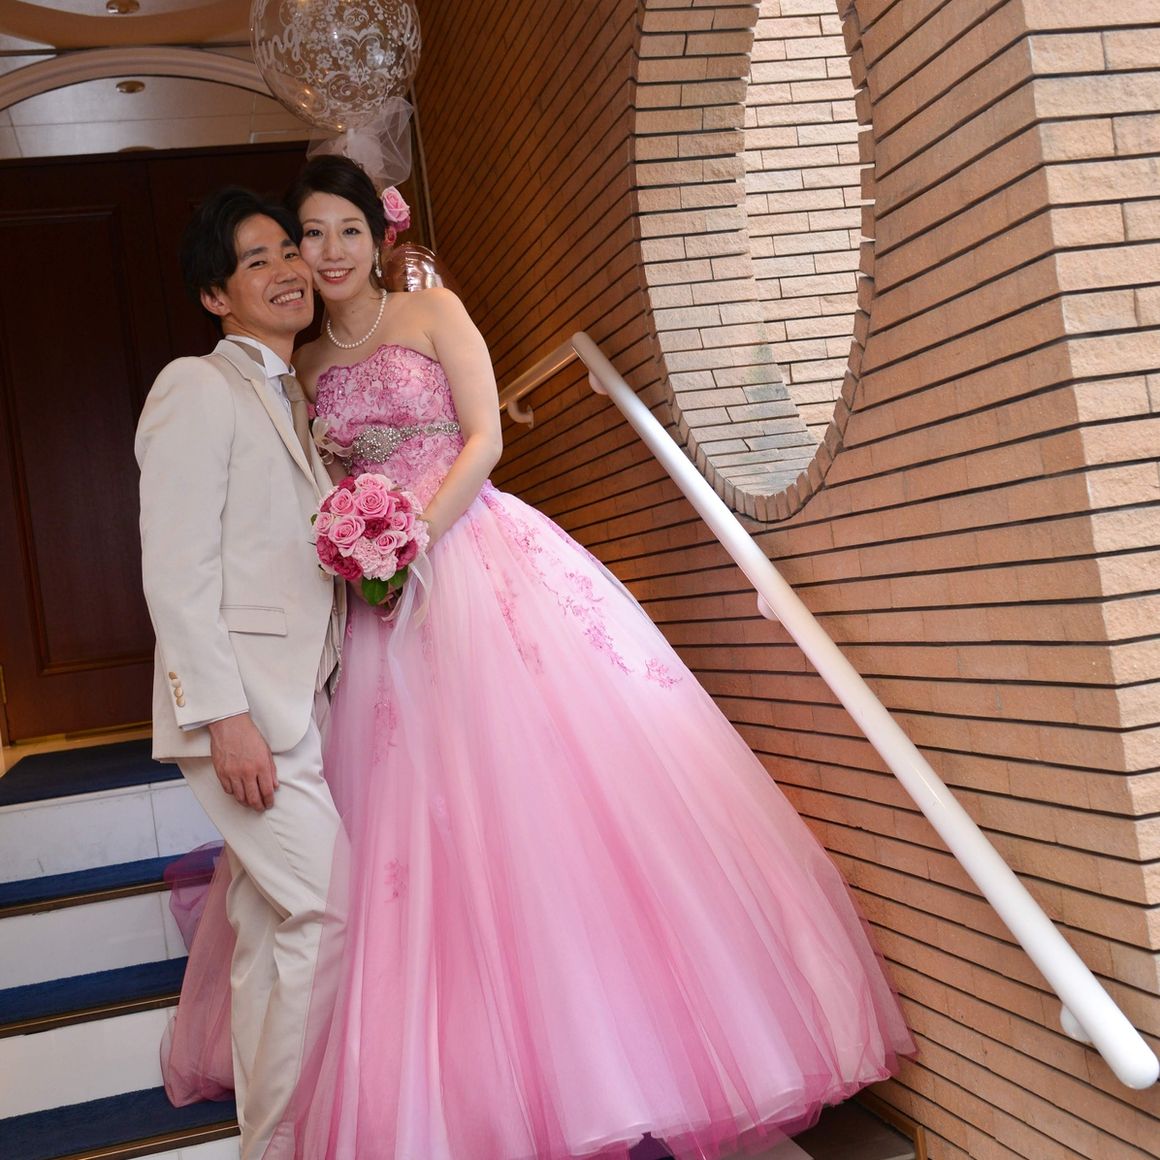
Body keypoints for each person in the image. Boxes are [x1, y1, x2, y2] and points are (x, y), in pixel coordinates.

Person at [167, 157, 914, 1160]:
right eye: (311, 234)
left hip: (474, 559)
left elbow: (482, 439)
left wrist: (414, 537)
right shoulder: (294, 370)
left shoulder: (433, 313)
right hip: (374, 608)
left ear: (379, 236)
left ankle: (606, 1056)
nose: (329, 251)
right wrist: (364, 554)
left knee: (543, 794)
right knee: (398, 825)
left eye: (348, 229)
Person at [136, 188, 345, 1160]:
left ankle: (269, 1145)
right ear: (216, 296)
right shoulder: (195, 385)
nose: (288, 269)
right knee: (326, 906)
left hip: (302, 698)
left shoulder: (296, 397)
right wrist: (221, 716)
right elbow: (176, 571)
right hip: (246, 709)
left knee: (268, 935)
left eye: (288, 251)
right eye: (256, 261)